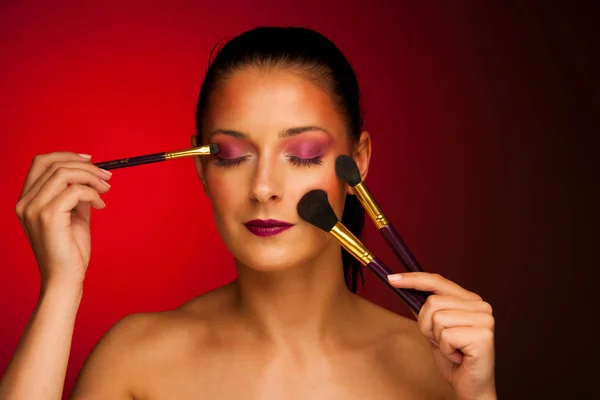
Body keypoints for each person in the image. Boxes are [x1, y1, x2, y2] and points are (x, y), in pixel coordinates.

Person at [0, 27, 496, 399]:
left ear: (358, 160)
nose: (262, 188)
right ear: (201, 167)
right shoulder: (138, 359)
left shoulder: (436, 364)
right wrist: (60, 287)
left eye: (302, 153)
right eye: (232, 156)